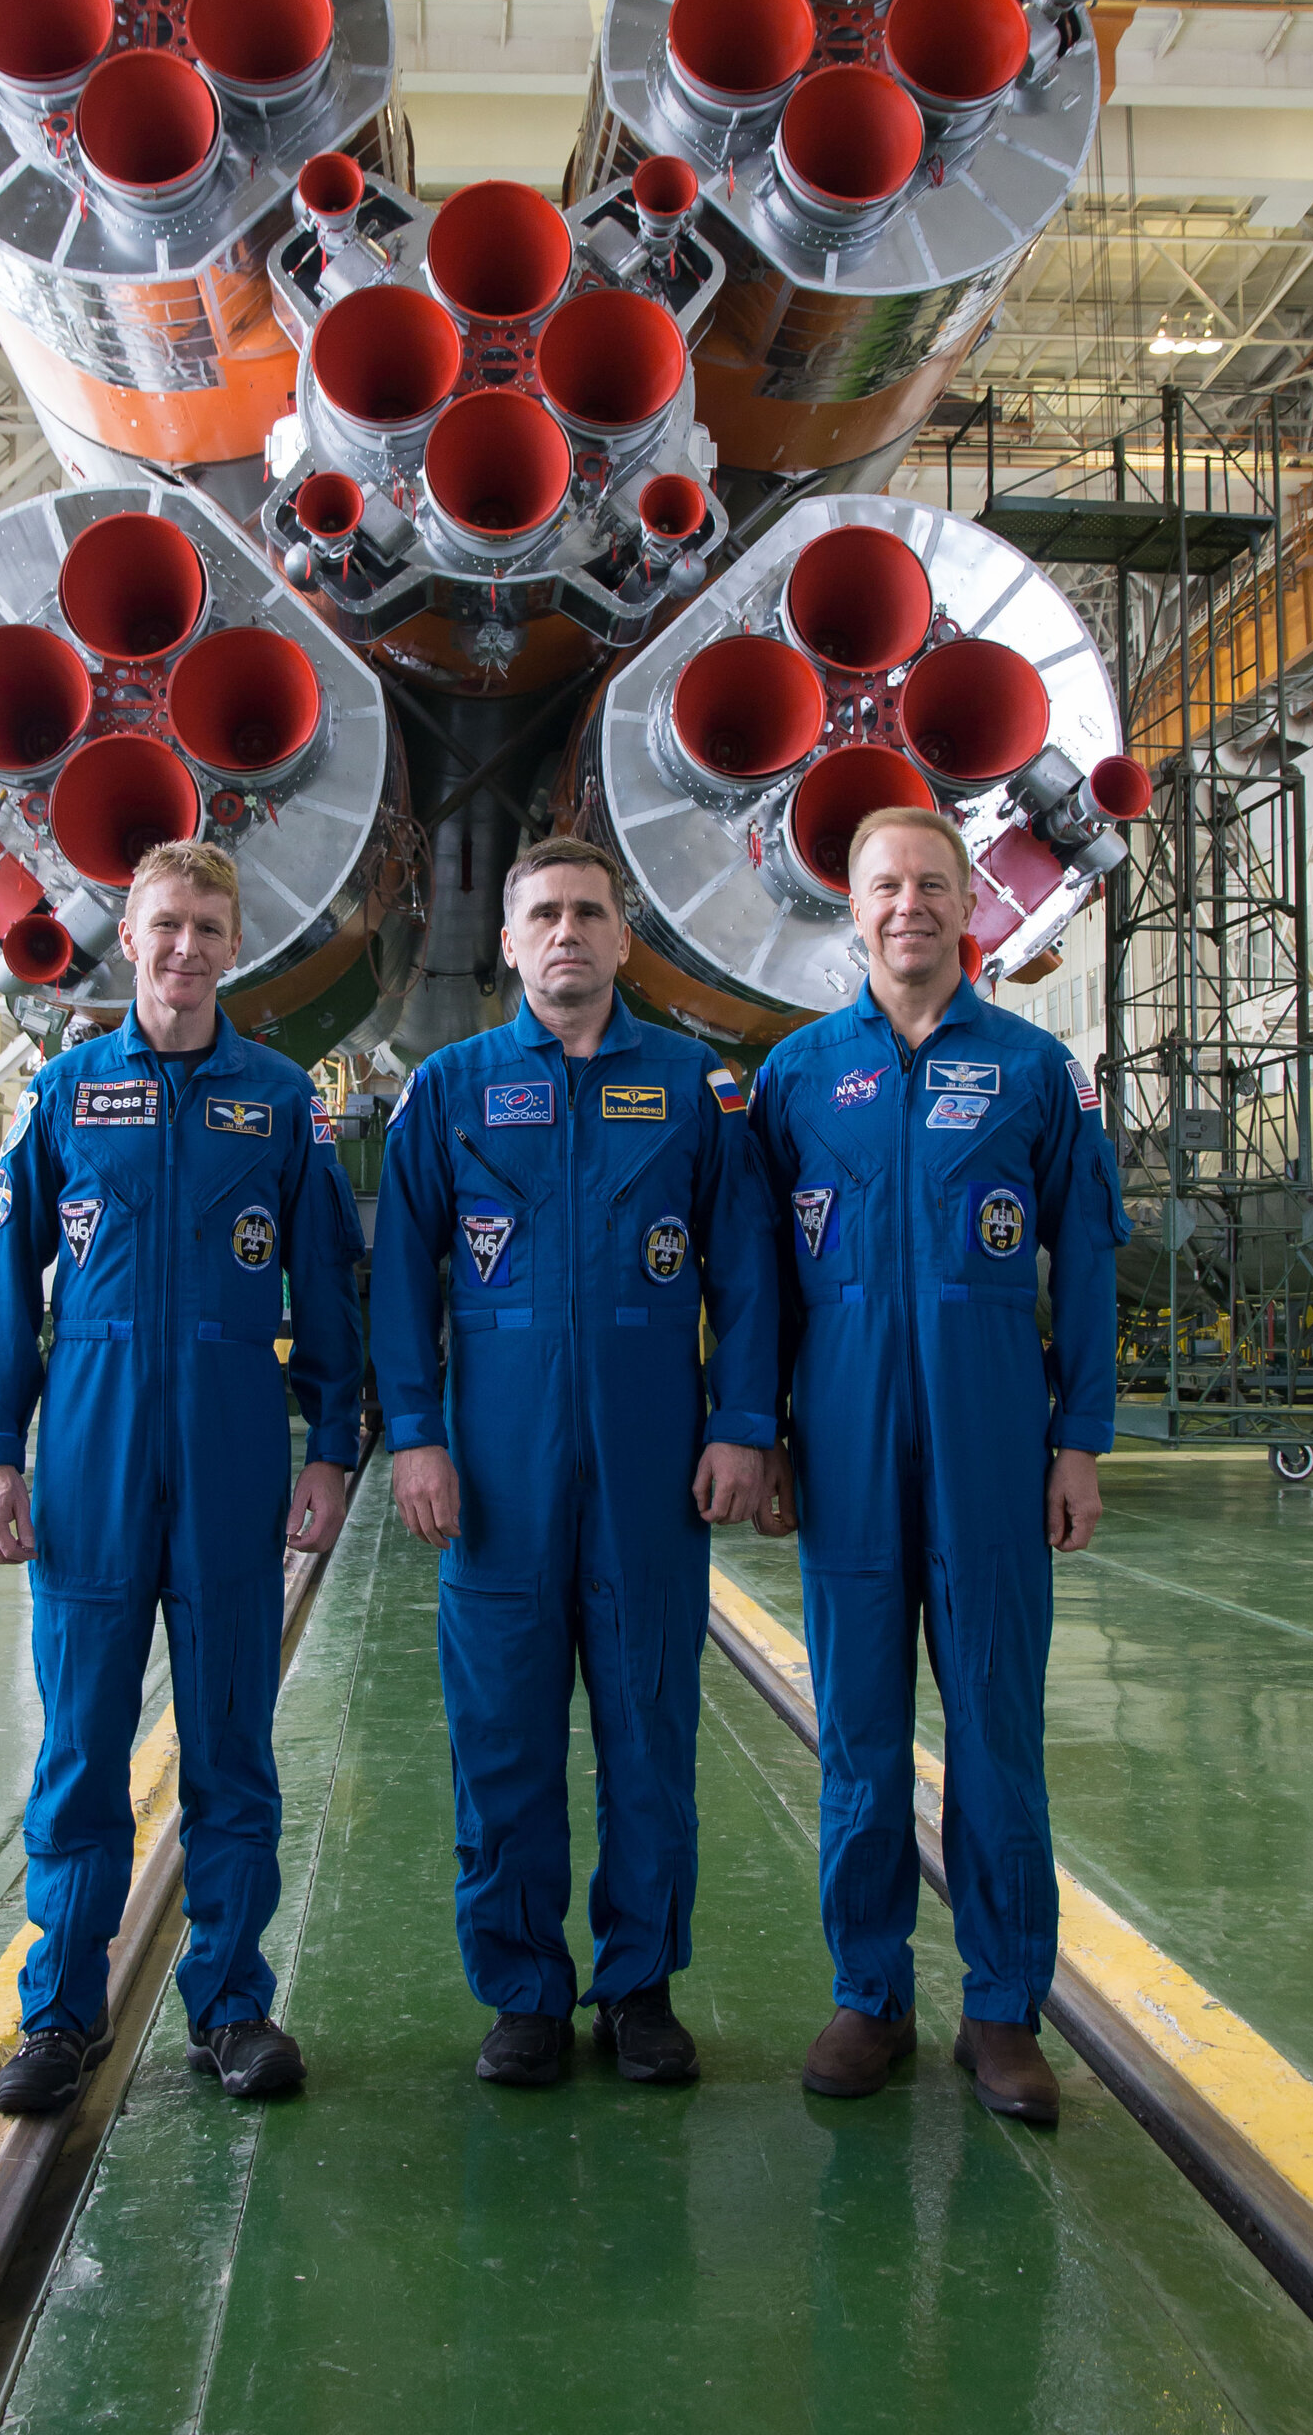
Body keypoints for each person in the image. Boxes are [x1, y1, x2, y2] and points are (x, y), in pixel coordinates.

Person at [370, 835, 783, 2089]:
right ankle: (524, 1993)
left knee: (650, 1728)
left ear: (622, 938)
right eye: (542, 914)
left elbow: (748, 1273)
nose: (566, 934)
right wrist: (418, 1435)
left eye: (589, 914)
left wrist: (741, 1424)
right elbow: (400, 1282)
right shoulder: (446, 1092)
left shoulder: (697, 1091)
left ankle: (640, 1989)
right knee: (501, 1738)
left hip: (654, 1465)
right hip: (497, 1472)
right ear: (507, 943)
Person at [0, 839, 364, 2114]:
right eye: (165, 925)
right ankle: (61, 2017)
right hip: (87, 1451)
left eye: (207, 926)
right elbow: (6, 1282)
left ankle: (233, 2005)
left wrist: (333, 1445)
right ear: (126, 939)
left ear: (231, 946)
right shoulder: (69, 1095)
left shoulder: (280, 1101)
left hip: (234, 1446)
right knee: (80, 1748)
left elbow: (329, 1288)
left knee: (233, 1745)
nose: (185, 947)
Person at [749, 807, 1129, 2123]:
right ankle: (869, 1997)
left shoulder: (1035, 1071)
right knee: (858, 1736)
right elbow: (757, 1289)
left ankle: (1002, 2010)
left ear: (966, 902)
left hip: (988, 1446)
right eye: (883, 886)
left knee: (997, 1738)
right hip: (846, 1449)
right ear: (848, 911)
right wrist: (766, 1431)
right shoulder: (795, 1080)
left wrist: (1079, 1438)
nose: (908, 905)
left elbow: (1083, 1261)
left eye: (930, 884)